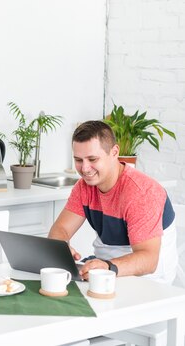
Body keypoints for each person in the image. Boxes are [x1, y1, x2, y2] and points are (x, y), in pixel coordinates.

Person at [48, 120, 177, 284]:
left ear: (114, 152)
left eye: (93, 159)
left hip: (148, 278)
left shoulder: (141, 193)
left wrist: (107, 267)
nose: (85, 169)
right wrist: (61, 247)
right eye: (79, 160)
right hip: (106, 266)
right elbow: (61, 229)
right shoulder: (84, 187)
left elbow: (149, 260)